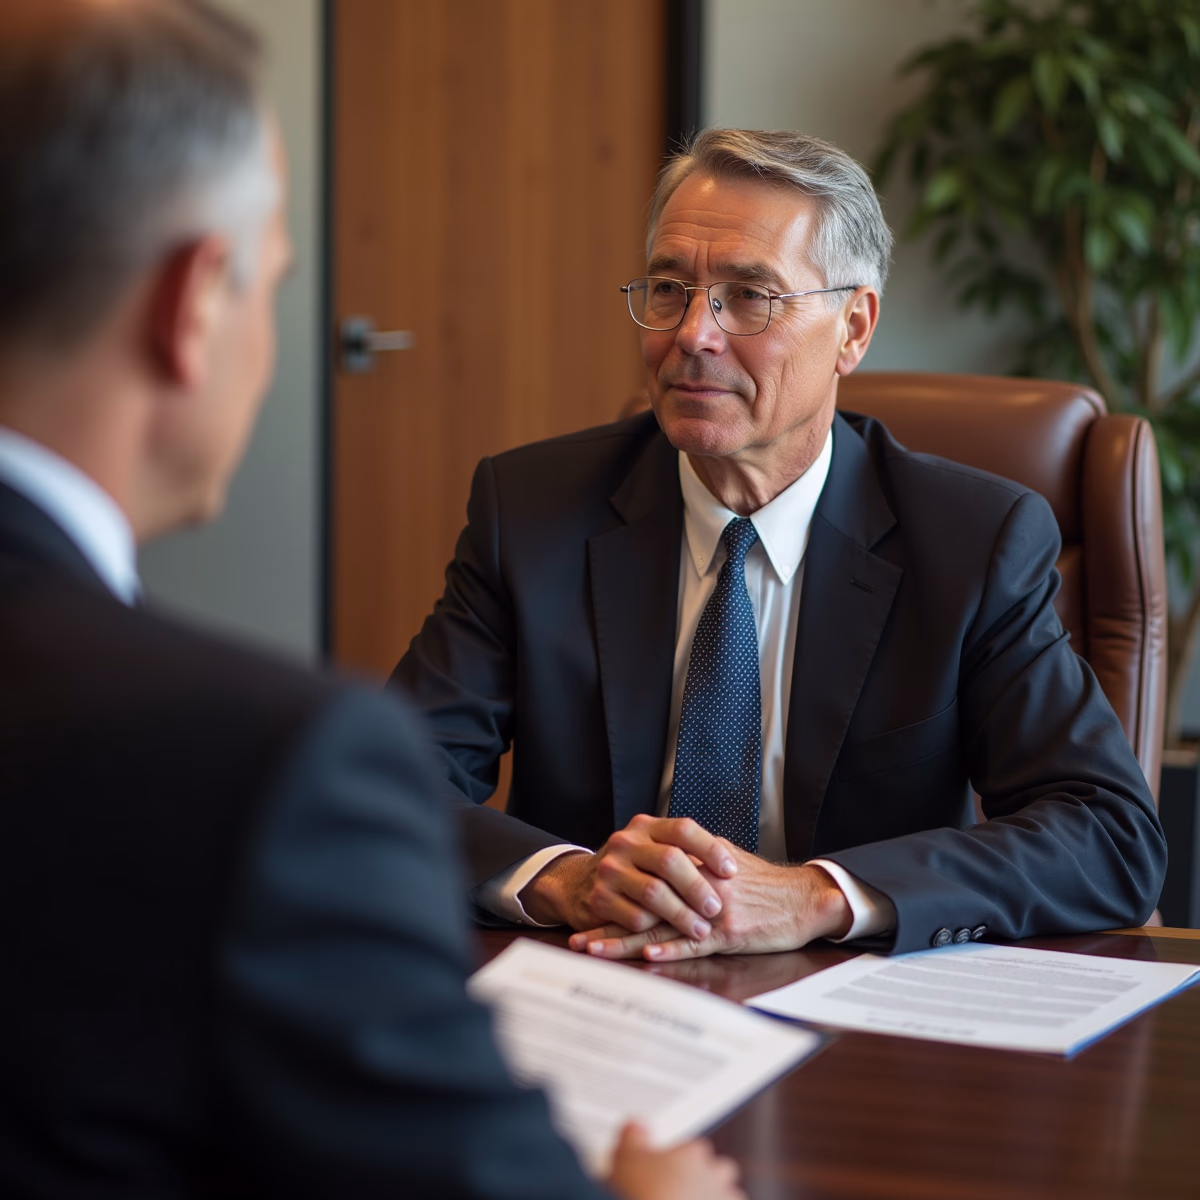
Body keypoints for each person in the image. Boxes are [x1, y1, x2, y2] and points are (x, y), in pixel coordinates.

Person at [0, 4, 744, 1198]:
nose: (695, 336)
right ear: (194, 307)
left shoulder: (975, 527)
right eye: (274, 283)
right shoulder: (261, 760)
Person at [391, 127, 1166, 963]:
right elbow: (387, 784)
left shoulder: (972, 542)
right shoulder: (534, 511)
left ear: (853, 328)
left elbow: (1109, 834)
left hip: (860, 1016)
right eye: (668, 288)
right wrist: (564, 878)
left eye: (749, 296)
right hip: (601, 987)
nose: (694, 333)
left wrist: (816, 896)